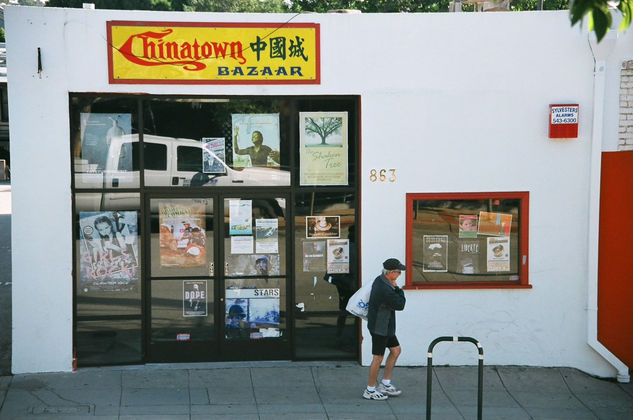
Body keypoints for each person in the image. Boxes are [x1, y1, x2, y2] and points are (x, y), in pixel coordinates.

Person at [363, 258, 407, 401]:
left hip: (385, 326)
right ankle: (370, 390)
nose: (400, 274)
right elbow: (400, 305)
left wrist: (394, 287)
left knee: (396, 350)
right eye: (398, 272)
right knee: (378, 358)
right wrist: (398, 289)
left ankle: (385, 383)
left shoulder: (381, 280)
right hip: (380, 328)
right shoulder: (385, 289)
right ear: (391, 272)